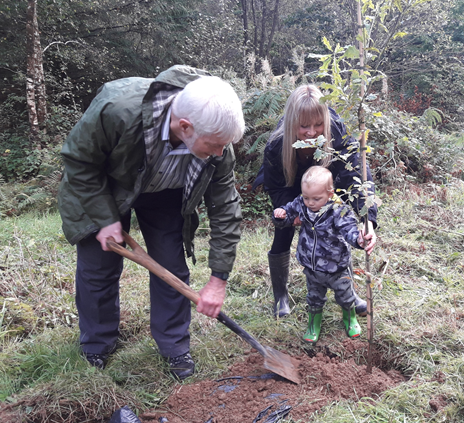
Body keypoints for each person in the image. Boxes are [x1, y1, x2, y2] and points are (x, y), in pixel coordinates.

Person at [58, 65, 245, 380]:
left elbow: (225, 204)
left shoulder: (216, 137)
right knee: (99, 267)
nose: (220, 152)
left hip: (166, 192)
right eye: (214, 145)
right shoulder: (118, 110)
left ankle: (174, 347)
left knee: (172, 267)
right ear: (184, 126)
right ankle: (97, 345)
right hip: (106, 185)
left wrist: (218, 278)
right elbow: (80, 162)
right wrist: (105, 219)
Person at [253, 84, 377, 318]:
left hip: (329, 179)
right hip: (291, 185)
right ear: (292, 123)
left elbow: (358, 176)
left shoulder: (338, 133)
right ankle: (280, 295)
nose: (312, 132)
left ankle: (349, 292)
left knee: (338, 228)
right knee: (283, 230)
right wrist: (293, 214)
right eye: (304, 126)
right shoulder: (276, 145)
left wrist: (367, 220)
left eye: (318, 124)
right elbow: (277, 187)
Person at [273, 166, 368, 343]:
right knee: (314, 297)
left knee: (345, 295)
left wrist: (359, 240)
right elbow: (289, 213)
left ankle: (350, 318)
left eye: (317, 198)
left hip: (336, 265)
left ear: (330, 193)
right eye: (307, 197)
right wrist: (281, 215)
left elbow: (349, 230)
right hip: (312, 265)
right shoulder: (301, 202)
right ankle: (313, 324)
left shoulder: (339, 209)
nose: (310, 202)